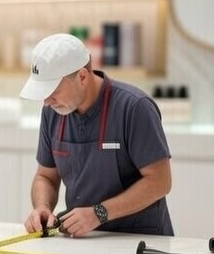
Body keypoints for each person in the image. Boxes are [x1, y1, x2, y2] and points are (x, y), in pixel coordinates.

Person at [19, 33, 173, 238]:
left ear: (82, 76)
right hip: (83, 242)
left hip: (141, 242)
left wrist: (98, 214)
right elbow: (45, 176)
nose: (46, 101)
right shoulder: (53, 111)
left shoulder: (134, 107)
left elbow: (160, 181)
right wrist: (42, 207)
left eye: (52, 91)